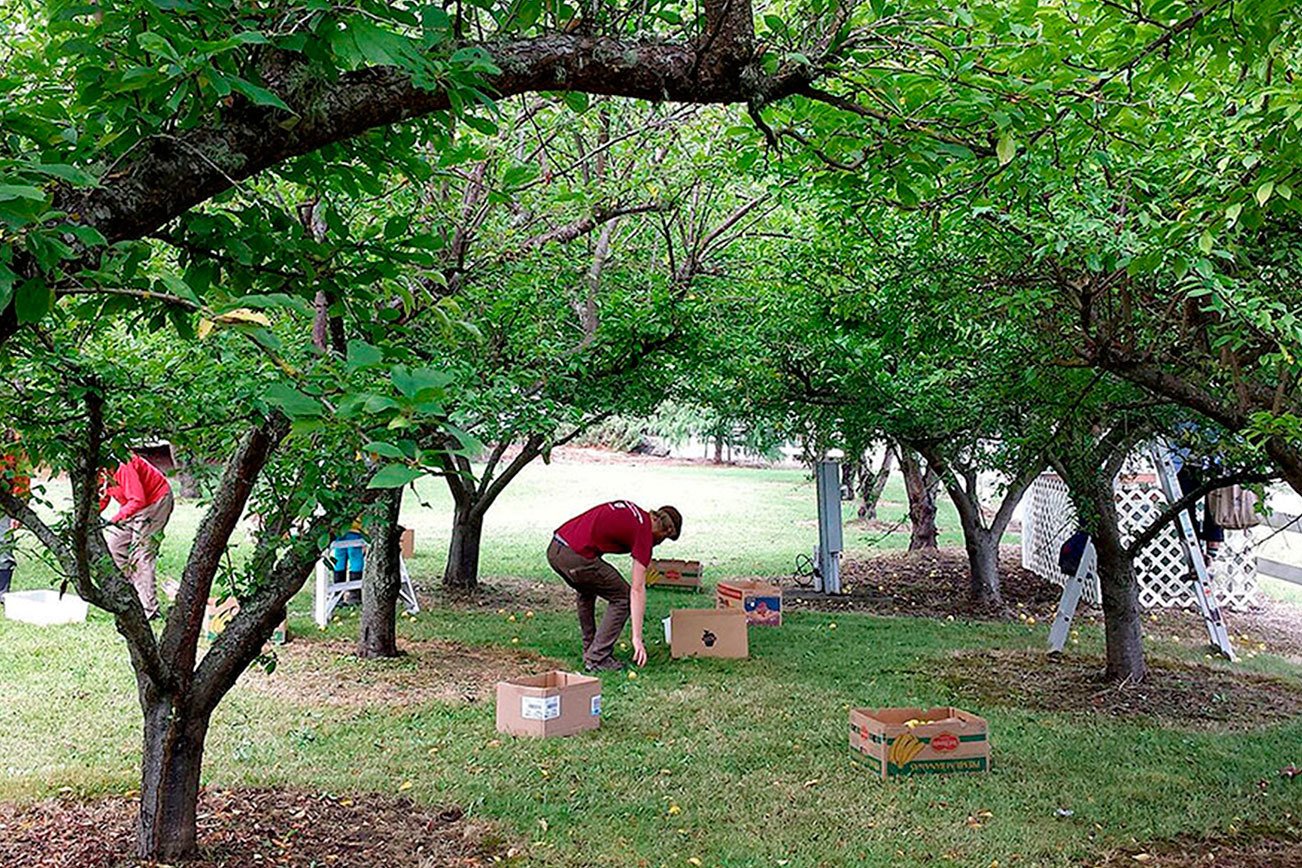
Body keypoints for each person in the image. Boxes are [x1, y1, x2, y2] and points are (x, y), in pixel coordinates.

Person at [546, 501, 681, 672]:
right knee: (622, 597)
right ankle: (597, 657)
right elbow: (637, 589)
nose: (659, 543)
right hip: (574, 556)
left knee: (587, 588)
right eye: (665, 539)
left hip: (556, 548)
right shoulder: (644, 532)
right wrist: (637, 638)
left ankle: (591, 650)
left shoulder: (634, 512)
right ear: (666, 531)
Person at [99, 452, 174, 617]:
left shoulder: (122, 464)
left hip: (155, 502)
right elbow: (101, 496)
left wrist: (113, 520)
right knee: (114, 547)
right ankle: (127, 598)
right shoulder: (97, 468)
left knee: (141, 555)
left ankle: (149, 609)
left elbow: (138, 499)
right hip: (131, 506)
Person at [0, 437, 30, 603]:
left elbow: (22, 478)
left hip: (5, 502)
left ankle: (2, 592)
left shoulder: (15, 444)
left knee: (4, 547)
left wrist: (18, 509)